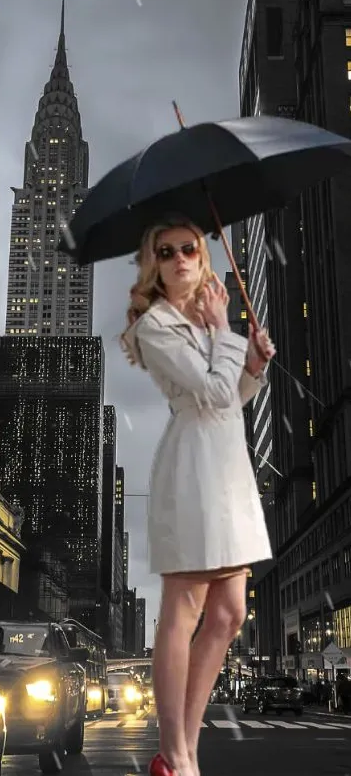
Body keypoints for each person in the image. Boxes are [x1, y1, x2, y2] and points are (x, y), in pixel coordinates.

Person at [121, 216, 275, 776]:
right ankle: (177, 752)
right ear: (155, 267)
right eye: (167, 252)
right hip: (191, 472)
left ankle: (182, 748)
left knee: (230, 612)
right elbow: (210, 393)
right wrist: (226, 331)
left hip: (229, 470)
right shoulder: (155, 326)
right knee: (183, 611)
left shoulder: (206, 322)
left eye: (190, 248)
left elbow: (233, 395)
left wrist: (253, 363)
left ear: (203, 257)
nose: (181, 258)